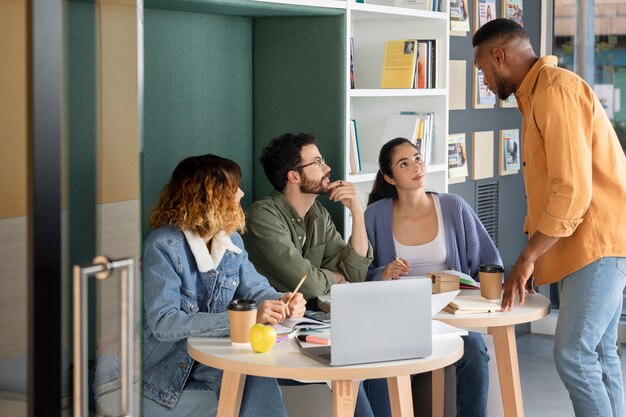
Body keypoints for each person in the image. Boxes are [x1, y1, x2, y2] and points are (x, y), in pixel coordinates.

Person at [473, 18, 626, 416]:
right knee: (600, 353)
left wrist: (527, 257)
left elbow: (571, 190)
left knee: (574, 353)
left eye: (483, 72)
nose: (486, 82)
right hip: (589, 242)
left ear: (499, 57)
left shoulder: (556, 91)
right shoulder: (539, 95)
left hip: (595, 243)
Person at [94, 154, 306, 417]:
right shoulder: (163, 248)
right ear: (211, 197)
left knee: (251, 375)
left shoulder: (230, 243)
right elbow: (165, 322)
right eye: (233, 188)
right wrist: (247, 318)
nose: (241, 193)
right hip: (145, 378)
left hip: (196, 366)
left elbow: (255, 289)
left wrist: (282, 300)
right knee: (244, 388)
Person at [242, 132, 388, 417]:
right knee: (352, 363)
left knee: (378, 356)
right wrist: (333, 277)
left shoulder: (318, 214)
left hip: (316, 326)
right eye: (318, 162)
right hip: (277, 337)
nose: (327, 169)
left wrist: (357, 212)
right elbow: (307, 282)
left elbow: (354, 274)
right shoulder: (263, 217)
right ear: (294, 176)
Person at [362, 137, 500, 417]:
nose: (416, 166)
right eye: (404, 163)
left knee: (474, 349)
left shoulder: (453, 206)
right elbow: (361, 272)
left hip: (449, 312)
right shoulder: (374, 215)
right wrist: (384, 273)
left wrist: (473, 288)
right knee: (379, 364)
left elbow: (487, 261)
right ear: (389, 177)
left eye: (417, 158)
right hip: (398, 315)